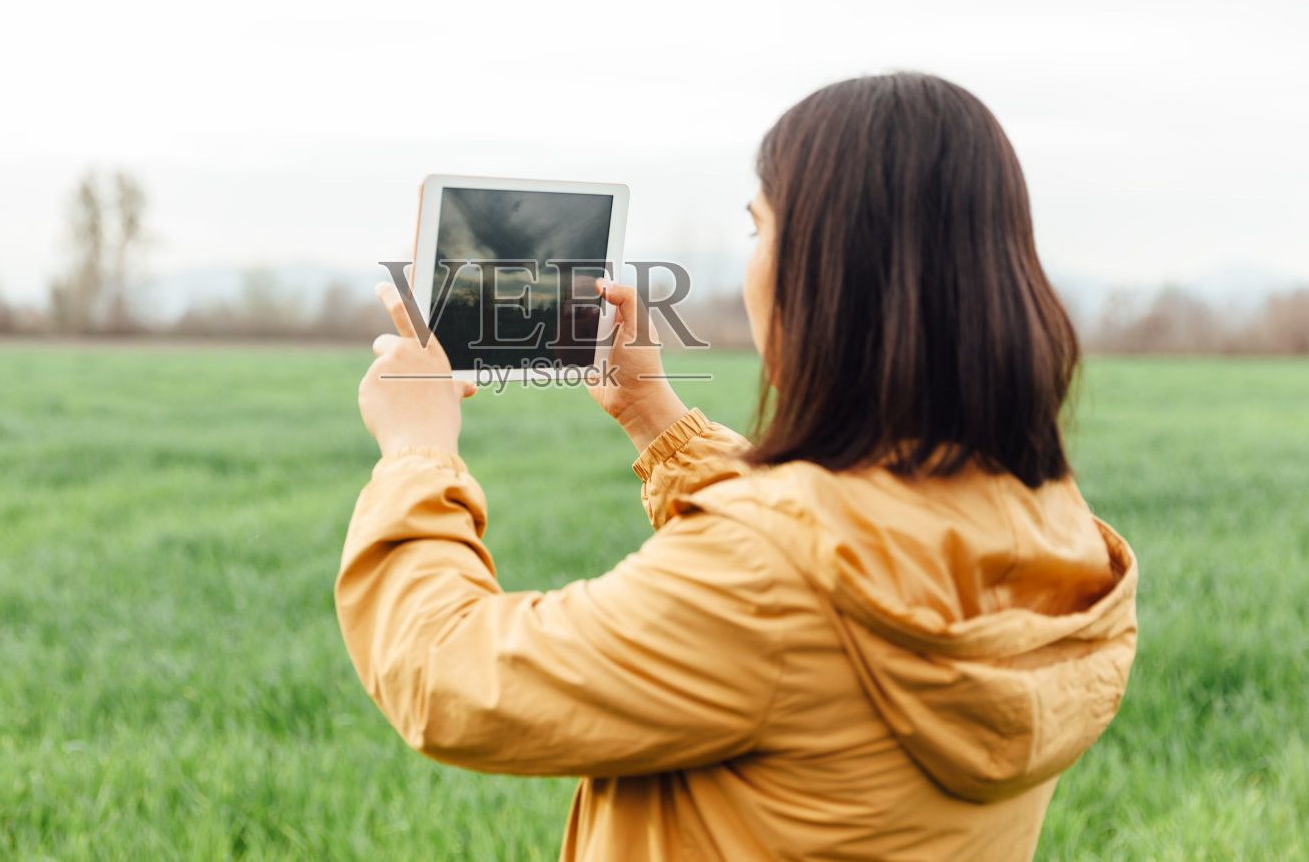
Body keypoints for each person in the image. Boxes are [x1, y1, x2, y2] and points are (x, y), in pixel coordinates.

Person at [337, 72, 1138, 862]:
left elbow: (450, 677)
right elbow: (834, 541)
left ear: (827, 272)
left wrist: (419, 452)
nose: (753, 263)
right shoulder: (1051, 523)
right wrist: (659, 420)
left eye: (761, 231)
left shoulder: (766, 582)